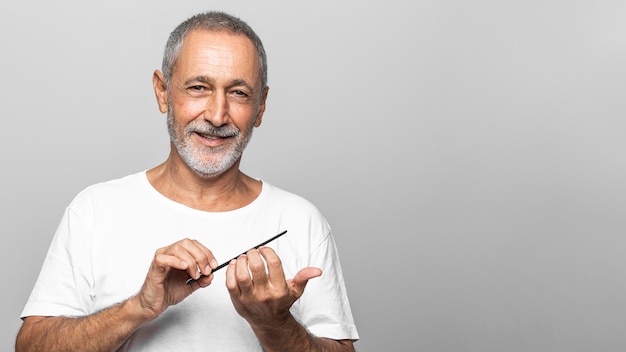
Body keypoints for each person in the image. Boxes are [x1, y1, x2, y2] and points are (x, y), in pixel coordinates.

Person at [16, 11, 358, 352]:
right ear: (163, 91)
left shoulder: (301, 221)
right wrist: (140, 307)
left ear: (261, 106)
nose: (217, 115)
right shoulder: (94, 210)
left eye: (238, 93)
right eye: (198, 88)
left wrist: (274, 324)